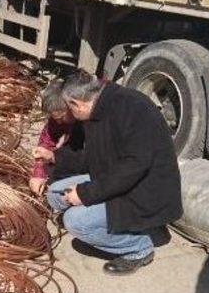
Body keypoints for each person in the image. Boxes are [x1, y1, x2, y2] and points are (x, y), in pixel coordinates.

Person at [47, 71, 182, 275]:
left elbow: (132, 168)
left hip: (144, 193)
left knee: (75, 223)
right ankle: (124, 226)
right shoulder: (98, 109)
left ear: (77, 103)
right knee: (55, 194)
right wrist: (54, 157)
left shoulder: (131, 107)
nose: (70, 115)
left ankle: (139, 246)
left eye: (70, 108)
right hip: (116, 180)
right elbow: (92, 158)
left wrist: (85, 194)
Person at [29, 79, 75, 196]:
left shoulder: (89, 121)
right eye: (55, 118)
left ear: (72, 106)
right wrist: (38, 175)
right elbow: (46, 142)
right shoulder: (57, 120)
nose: (58, 123)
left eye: (61, 117)